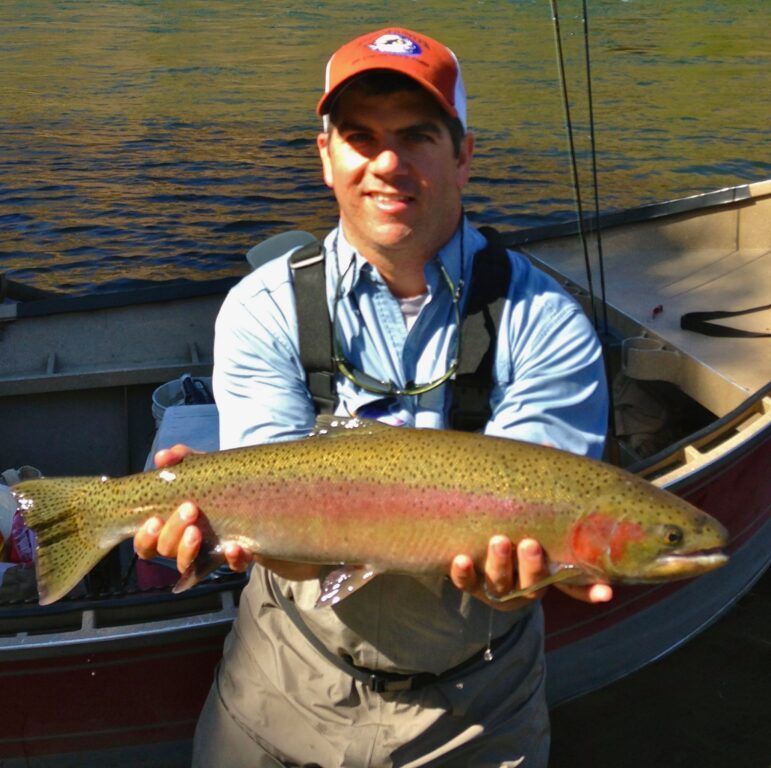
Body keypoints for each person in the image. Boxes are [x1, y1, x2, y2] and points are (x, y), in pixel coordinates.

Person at [135, 27, 611, 768]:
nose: (387, 164)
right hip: (280, 689)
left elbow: (541, 526)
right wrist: (220, 529)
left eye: (417, 136)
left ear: (463, 154)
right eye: (360, 137)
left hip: (477, 711)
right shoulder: (261, 308)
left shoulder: (544, 321)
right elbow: (279, 525)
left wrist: (523, 582)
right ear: (326, 157)